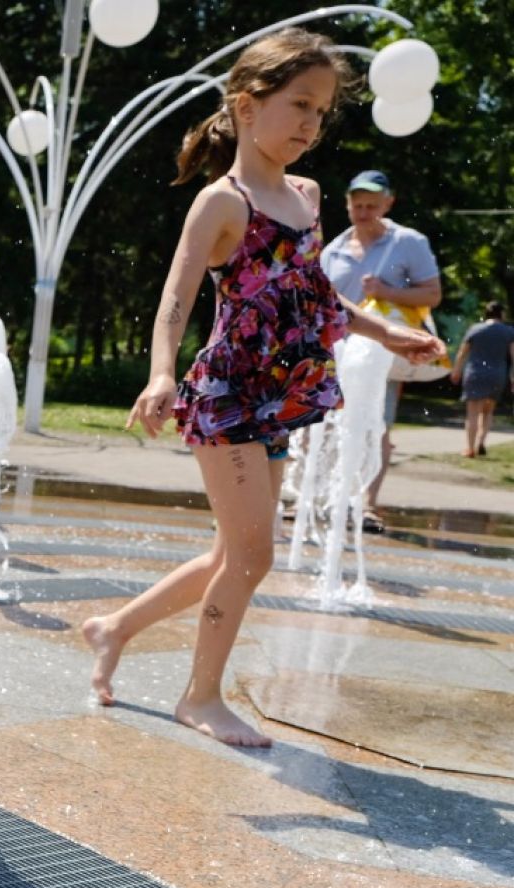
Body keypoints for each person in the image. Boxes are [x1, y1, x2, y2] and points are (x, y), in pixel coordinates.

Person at [79, 30, 443, 748]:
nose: (311, 123)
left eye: (322, 111)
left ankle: (113, 628)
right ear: (247, 106)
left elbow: (317, 299)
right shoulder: (225, 202)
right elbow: (176, 298)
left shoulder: (306, 198)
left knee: (229, 554)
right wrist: (160, 374)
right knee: (253, 555)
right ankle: (199, 696)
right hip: (228, 396)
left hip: (280, 395)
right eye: (298, 104)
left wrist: (388, 334)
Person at [319, 169, 442, 529]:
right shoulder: (334, 249)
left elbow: (432, 294)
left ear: (388, 202)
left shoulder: (408, 243)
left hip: (381, 355)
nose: (364, 210)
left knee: (377, 425)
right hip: (336, 354)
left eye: (372, 203)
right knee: (323, 423)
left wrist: (388, 292)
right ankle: (320, 497)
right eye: (358, 204)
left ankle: (367, 505)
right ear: (347, 205)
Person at [452, 301, 514, 458]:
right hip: (497, 375)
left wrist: (457, 370)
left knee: (472, 412)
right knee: (488, 411)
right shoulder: (508, 331)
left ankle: (470, 448)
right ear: (501, 313)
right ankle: (481, 442)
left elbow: (463, 352)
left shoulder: (475, 329)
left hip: (475, 373)